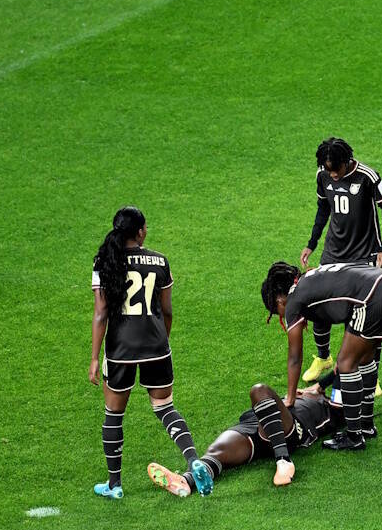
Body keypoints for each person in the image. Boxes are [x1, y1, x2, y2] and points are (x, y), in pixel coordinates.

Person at [89, 206, 212, 499]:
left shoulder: (105, 260)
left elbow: (100, 313)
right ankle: (193, 460)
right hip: (157, 347)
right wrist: (162, 340)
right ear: (140, 231)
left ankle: (115, 486)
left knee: (114, 414)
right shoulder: (159, 260)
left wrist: (94, 357)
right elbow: (167, 310)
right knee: (165, 408)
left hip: (120, 351)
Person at [260, 260, 382, 451]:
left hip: (373, 296)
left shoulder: (293, 300)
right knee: (364, 358)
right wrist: (321, 385)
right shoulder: (310, 280)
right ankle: (366, 426)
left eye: (276, 311)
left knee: (347, 364)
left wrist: (290, 398)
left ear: (279, 301)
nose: (282, 315)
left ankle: (354, 436)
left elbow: (295, 357)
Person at [299, 137, 382, 388]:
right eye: (328, 169)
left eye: (336, 169)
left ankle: (369, 375)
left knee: (364, 316)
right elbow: (323, 209)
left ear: (347, 161)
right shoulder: (323, 174)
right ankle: (323, 358)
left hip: (364, 256)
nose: (332, 174)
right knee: (318, 303)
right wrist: (312, 243)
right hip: (333, 252)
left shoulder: (367, 176)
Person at [146, 379, 344, 494]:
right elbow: (337, 371)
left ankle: (283, 460)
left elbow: (342, 369)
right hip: (255, 423)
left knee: (260, 390)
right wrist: (318, 386)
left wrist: (314, 392)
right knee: (216, 453)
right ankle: (187, 481)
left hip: (290, 429)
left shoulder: (330, 409)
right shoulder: (316, 392)